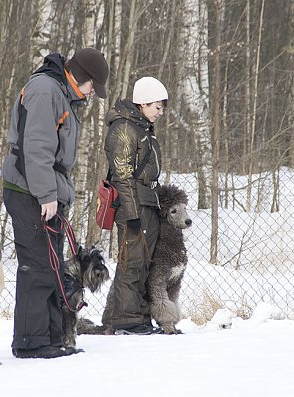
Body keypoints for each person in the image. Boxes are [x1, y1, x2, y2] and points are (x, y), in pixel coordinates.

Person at [2, 48, 109, 358]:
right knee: (37, 266)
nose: (91, 93)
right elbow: (36, 146)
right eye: (92, 86)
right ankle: (30, 342)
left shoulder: (60, 93)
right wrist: (46, 194)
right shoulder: (46, 89)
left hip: (44, 188)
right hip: (30, 191)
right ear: (82, 77)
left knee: (51, 267)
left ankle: (51, 338)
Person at [104, 76, 168, 335]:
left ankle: (140, 316)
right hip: (134, 205)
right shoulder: (124, 129)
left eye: (162, 107)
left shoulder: (142, 128)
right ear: (142, 102)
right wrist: (130, 214)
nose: (160, 112)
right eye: (156, 106)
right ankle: (127, 318)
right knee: (131, 261)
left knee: (144, 262)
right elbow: (123, 175)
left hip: (147, 201)